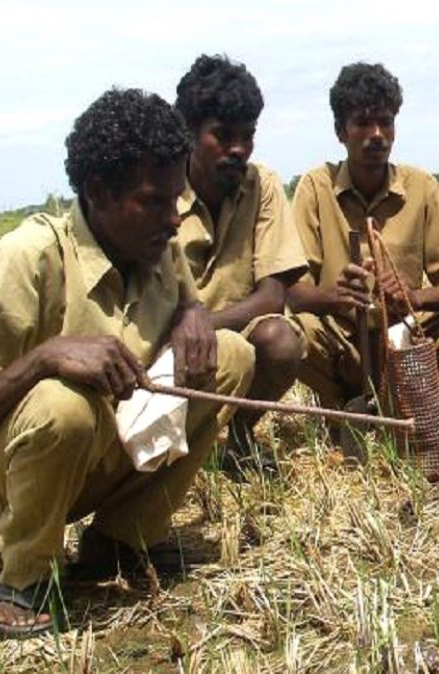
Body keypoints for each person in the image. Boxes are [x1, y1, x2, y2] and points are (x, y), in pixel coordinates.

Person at [0, 88, 255, 637]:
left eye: (176, 201)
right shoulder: (29, 258)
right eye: (153, 202)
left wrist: (193, 315)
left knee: (228, 357)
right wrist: (43, 359)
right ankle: (26, 578)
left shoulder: (159, 249)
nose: (174, 220)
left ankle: (119, 541)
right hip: (13, 477)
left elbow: (189, 304)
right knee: (64, 406)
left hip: (100, 459)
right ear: (98, 192)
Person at [289, 62, 439, 408]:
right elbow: (294, 292)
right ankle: (342, 406)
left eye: (386, 122)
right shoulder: (316, 187)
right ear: (340, 131)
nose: (377, 134)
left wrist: (414, 299)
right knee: (290, 331)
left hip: (405, 338)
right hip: (343, 343)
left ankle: (412, 402)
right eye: (362, 123)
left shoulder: (421, 187)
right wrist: (339, 297)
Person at [174, 54, 307, 476]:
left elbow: (272, 296)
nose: (238, 149)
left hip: (235, 334)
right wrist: (180, 330)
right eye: (223, 135)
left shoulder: (261, 184)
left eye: (247, 136)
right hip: (165, 338)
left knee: (282, 341)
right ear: (189, 132)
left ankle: (240, 436)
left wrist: (202, 327)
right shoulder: (160, 188)